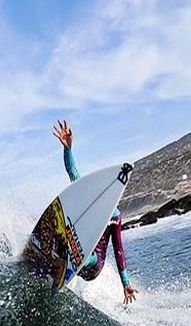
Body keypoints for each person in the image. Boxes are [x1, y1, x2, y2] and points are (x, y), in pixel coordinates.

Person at [52, 119, 139, 305]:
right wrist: (67, 148)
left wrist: (125, 283)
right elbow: (72, 171)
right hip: (77, 252)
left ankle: (67, 258)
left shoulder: (114, 217)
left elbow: (118, 249)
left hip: (93, 264)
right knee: (66, 242)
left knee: (83, 254)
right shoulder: (87, 196)